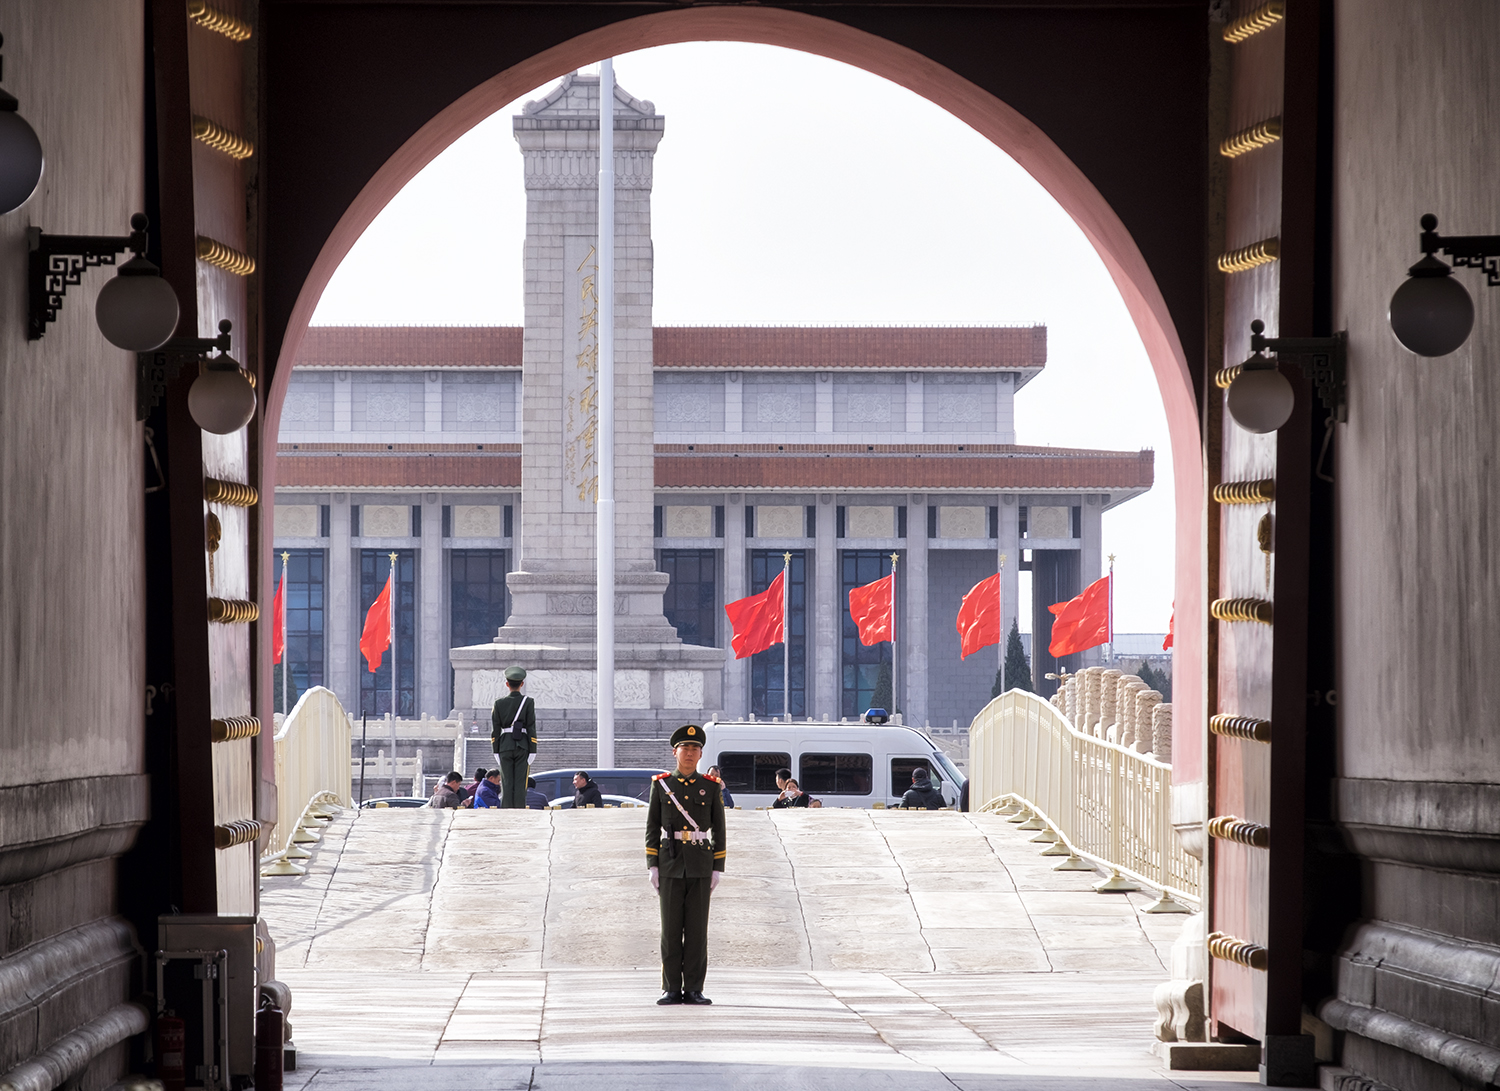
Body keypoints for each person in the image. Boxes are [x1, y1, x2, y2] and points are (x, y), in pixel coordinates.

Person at [646, 723, 725, 1006]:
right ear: (674, 752)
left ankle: (693, 988)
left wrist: (717, 867)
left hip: (701, 865)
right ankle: (670, 988)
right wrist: (652, 865)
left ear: (701, 754)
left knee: (696, 931)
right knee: (670, 930)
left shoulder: (711, 786)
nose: (690, 753)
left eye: (695, 748)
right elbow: (652, 827)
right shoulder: (662, 784)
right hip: (670, 864)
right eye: (685, 748)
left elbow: (719, 828)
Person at [490, 666, 537, 808]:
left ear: (507, 684)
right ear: (522, 684)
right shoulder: (528, 702)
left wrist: (495, 750)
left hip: (504, 746)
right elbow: (531, 727)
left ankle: (506, 811)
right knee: (520, 783)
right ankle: (519, 811)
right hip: (522, 745)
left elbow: (495, 729)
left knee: (506, 782)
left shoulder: (498, 703)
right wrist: (533, 749)